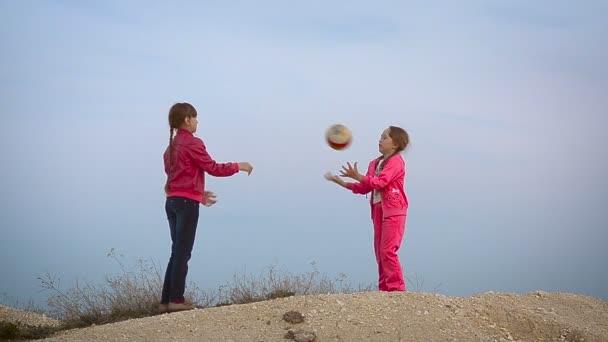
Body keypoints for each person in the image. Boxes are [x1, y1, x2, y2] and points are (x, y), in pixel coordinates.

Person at [159, 102, 253, 313]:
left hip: (172, 202)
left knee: (177, 252)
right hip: (185, 204)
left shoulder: (170, 148)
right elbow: (212, 168)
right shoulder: (193, 143)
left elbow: (177, 178)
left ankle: (165, 301)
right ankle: (176, 301)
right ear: (187, 119)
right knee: (183, 253)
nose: (197, 121)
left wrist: (199, 195)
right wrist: (238, 166)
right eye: (195, 117)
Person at [325, 126, 409, 292]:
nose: (380, 140)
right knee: (379, 253)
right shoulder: (374, 163)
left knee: (387, 251)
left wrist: (358, 176)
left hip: (394, 211)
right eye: (381, 136)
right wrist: (343, 183)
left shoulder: (396, 162)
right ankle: (384, 289)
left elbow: (380, 182)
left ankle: (396, 289)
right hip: (378, 211)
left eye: (385, 137)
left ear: (396, 144)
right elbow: (365, 187)